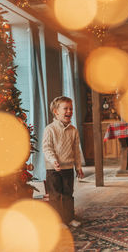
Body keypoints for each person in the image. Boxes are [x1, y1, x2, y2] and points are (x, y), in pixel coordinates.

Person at [42, 96, 84, 227]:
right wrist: (54, 161)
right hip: (53, 169)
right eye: (65, 108)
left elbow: (76, 150)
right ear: (56, 112)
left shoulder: (73, 130)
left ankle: (69, 218)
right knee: (55, 196)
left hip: (68, 168)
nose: (69, 111)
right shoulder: (50, 129)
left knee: (68, 194)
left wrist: (78, 167)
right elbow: (47, 147)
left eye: (71, 108)